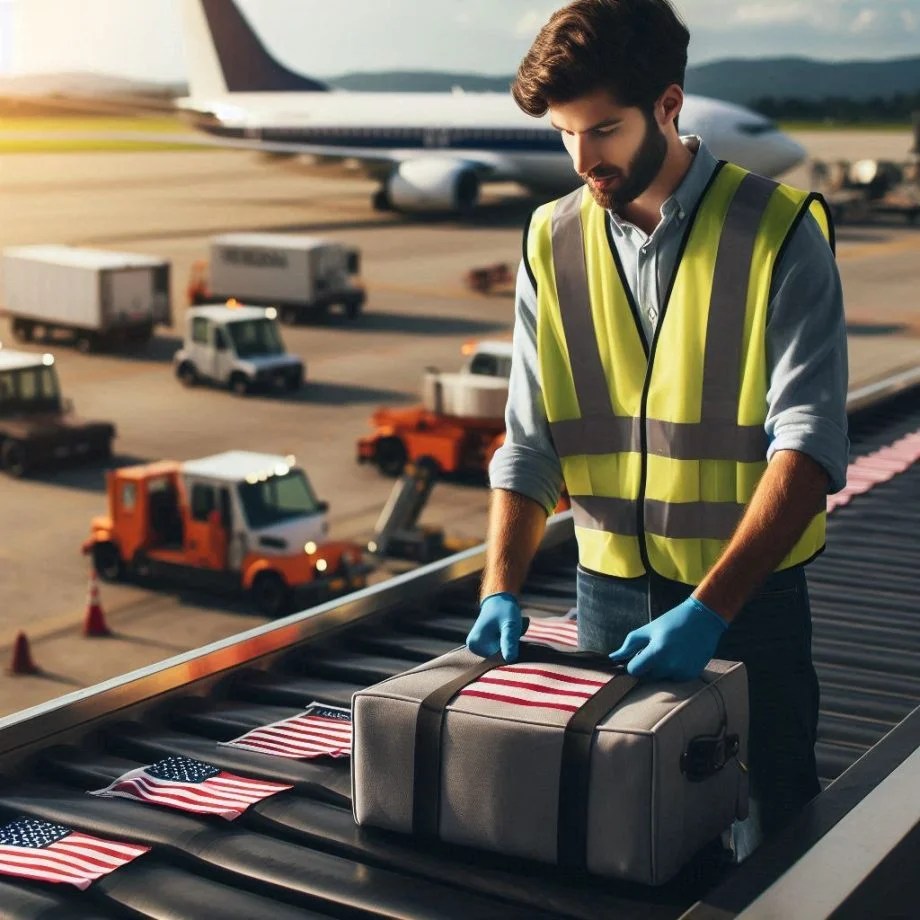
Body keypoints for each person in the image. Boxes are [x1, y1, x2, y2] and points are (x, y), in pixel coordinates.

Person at [465, 0, 848, 859]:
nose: (582, 158)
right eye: (565, 134)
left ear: (669, 106)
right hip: (606, 599)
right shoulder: (550, 238)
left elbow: (812, 444)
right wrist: (499, 585)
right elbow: (528, 442)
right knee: (622, 833)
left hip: (748, 603)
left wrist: (711, 610)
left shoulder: (779, 231)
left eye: (602, 129)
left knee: (780, 830)